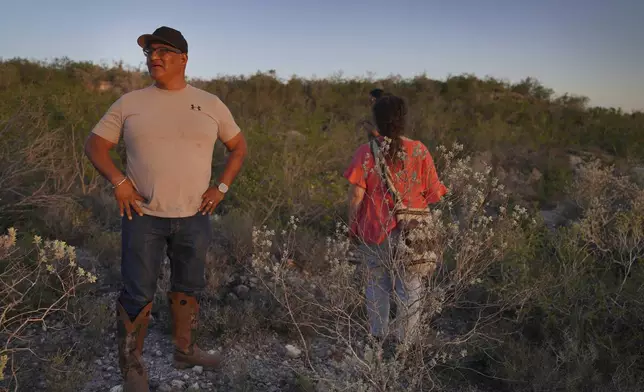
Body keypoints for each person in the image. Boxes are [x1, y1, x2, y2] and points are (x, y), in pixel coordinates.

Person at [84, 26, 247, 391]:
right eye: (149, 52)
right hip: (143, 216)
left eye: (162, 51)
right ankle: (132, 368)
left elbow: (238, 147)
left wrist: (220, 187)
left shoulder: (210, 103)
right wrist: (120, 183)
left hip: (195, 216)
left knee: (188, 285)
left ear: (183, 59)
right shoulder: (130, 103)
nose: (153, 57)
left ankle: (184, 352)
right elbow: (95, 145)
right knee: (137, 291)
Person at [343, 94, 447, 347]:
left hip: (373, 229)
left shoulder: (366, 152)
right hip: (411, 232)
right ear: (403, 119)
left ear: (376, 120)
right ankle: (406, 345)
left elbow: (356, 195)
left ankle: (377, 338)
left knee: (376, 285)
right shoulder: (420, 150)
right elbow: (434, 194)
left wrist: (352, 227)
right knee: (410, 288)